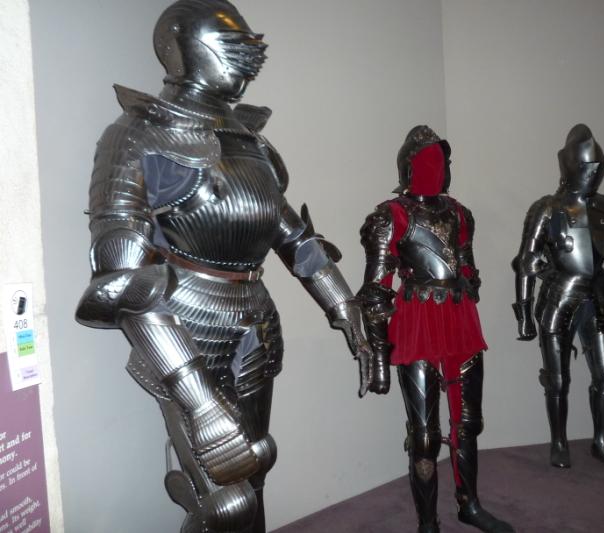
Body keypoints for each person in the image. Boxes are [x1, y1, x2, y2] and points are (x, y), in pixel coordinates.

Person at [75, 2, 373, 531]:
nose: (248, 60)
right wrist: (198, 400)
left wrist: (345, 306)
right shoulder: (137, 134)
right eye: (234, 46)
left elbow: (294, 238)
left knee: (255, 464)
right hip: (183, 324)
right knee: (226, 500)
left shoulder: (250, 141)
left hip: (255, 318)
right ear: (184, 47)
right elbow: (123, 281)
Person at [358, 126, 513, 533]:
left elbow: (468, 268)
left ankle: (469, 505)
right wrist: (379, 359)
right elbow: (376, 293)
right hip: (418, 321)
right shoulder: (390, 216)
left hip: (459, 319)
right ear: (409, 167)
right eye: (428, 161)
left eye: (441, 161)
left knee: (468, 422)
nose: (437, 168)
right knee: (425, 435)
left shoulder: (460, 213)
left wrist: (467, 284)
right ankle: (428, 523)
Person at [512, 124, 604, 469]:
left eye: (597, 167)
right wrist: (524, 315)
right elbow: (526, 262)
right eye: (586, 166)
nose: (592, 173)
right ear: (570, 165)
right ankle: (559, 443)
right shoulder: (547, 208)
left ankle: (601, 441)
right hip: (559, 297)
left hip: (598, 297)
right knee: (558, 379)